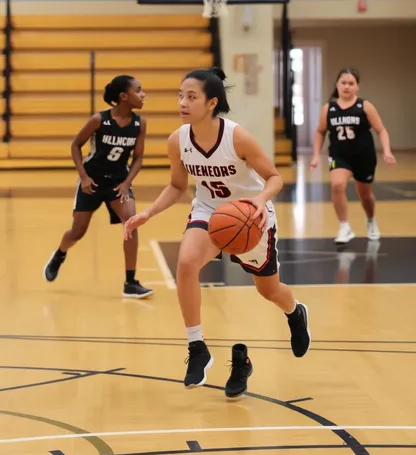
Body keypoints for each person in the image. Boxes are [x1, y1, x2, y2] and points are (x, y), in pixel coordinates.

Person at [124, 67, 310, 398]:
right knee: (185, 263)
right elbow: (178, 186)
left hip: (248, 216)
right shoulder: (177, 140)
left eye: (191, 97)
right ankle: (197, 347)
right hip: (210, 211)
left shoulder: (237, 137)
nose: (183, 102)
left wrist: (259, 199)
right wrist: (148, 213)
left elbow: (275, 178)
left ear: (211, 103)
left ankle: (295, 311)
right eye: (180, 95)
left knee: (269, 291)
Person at [43, 75, 153, 299]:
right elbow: (75, 145)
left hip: (117, 182)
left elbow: (139, 157)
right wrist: (83, 177)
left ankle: (130, 282)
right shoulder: (99, 120)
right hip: (92, 181)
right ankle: (60, 254)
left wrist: (126, 183)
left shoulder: (139, 124)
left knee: (131, 222)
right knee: (78, 231)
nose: (143, 95)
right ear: (124, 96)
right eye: (138, 90)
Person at [310, 68, 396, 244]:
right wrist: (316, 155)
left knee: (365, 195)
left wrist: (387, 151)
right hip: (340, 156)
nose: (347, 86)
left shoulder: (364, 106)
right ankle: (344, 227)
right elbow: (320, 132)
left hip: (363, 156)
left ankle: (371, 220)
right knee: (337, 185)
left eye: (351, 83)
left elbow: (381, 130)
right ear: (337, 85)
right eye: (344, 83)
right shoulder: (329, 109)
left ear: (357, 87)